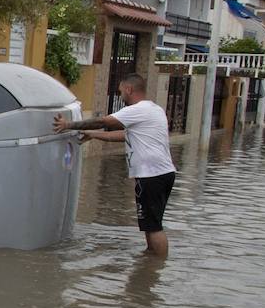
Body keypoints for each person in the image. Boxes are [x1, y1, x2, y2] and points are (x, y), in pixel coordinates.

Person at [53, 73, 176, 257]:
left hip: (151, 175)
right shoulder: (154, 109)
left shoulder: (137, 110)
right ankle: (150, 263)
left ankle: (156, 266)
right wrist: (93, 135)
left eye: (120, 92)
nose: (121, 96)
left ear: (129, 89)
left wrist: (68, 125)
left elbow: (103, 121)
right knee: (151, 224)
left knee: (154, 226)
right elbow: (124, 136)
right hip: (163, 173)